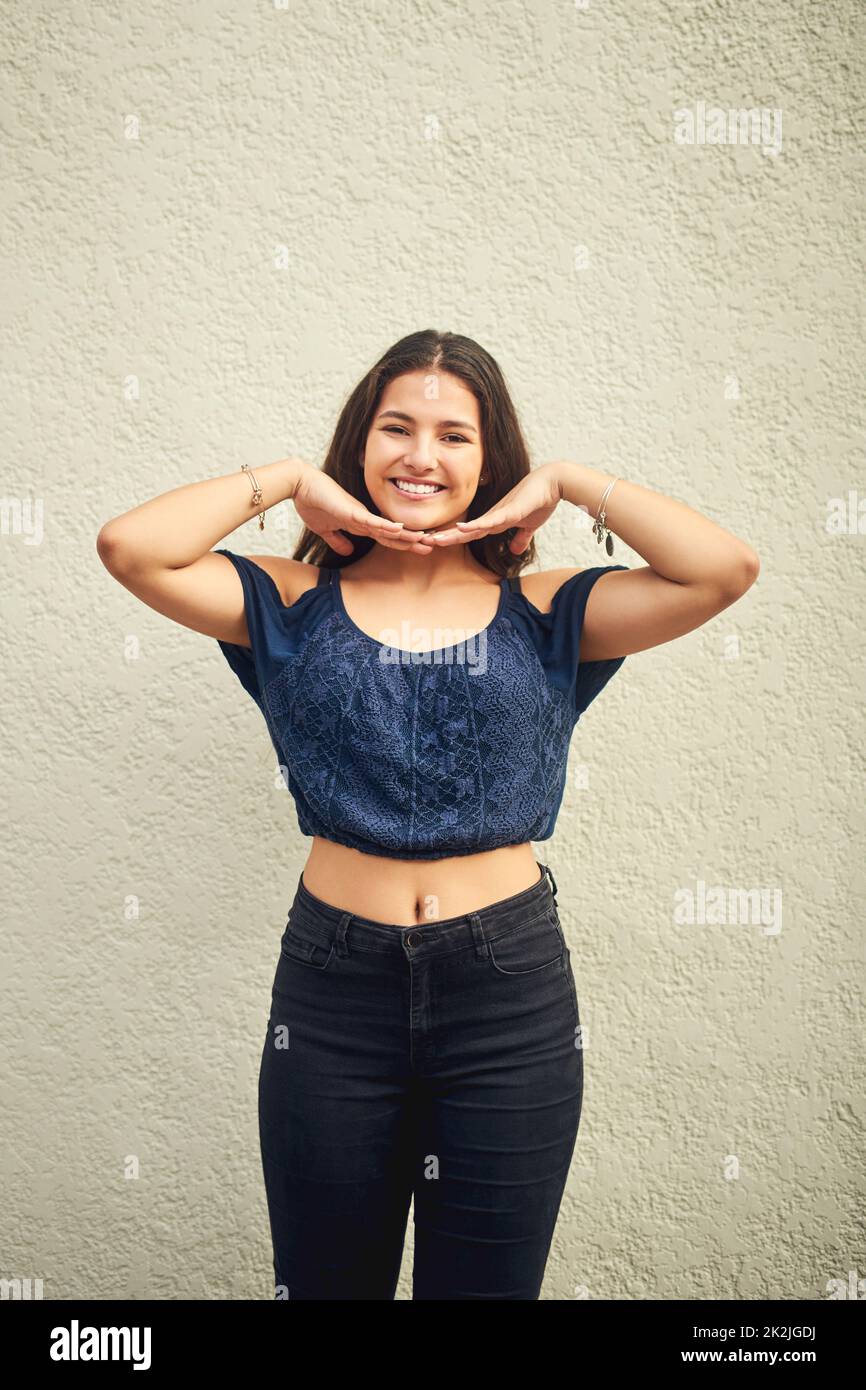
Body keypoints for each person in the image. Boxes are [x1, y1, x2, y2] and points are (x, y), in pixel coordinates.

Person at [96, 328, 760, 1300]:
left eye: (455, 435)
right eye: (395, 427)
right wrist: (284, 479)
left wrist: (570, 480)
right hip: (332, 992)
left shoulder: (546, 612)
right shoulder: (288, 601)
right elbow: (130, 547)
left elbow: (723, 569)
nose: (420, 454)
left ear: (490, 460)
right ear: (358, 447)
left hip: (508, 996)